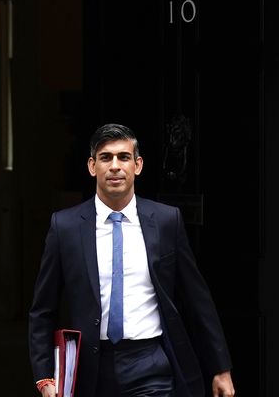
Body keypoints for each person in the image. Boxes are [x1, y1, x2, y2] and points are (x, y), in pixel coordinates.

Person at [28, 123, 235, 397]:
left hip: (149, 362)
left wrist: (220, 368)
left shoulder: (165, 221)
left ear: (137, 165)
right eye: (106, 158)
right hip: (89, 368)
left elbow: (197, 299)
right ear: (92, 167)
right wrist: (44, 376)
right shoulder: (65, 227)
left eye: (123, 157)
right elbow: (43, 310)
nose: (115, 166)